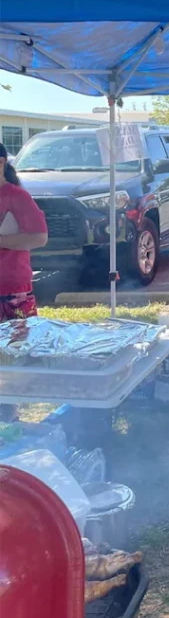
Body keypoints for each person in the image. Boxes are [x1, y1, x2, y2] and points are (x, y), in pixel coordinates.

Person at [0, 143, 48, 422]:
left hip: (12, 291)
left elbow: (39, 237)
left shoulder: (16, 196)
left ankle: (9, 421)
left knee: (11, 361)